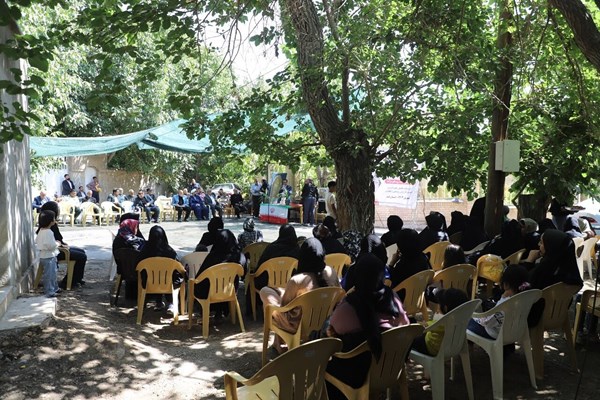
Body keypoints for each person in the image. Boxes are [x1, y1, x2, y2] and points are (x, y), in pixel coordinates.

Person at [325, 253, 409, 400]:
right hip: (390, 369)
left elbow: (332, 329)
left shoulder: (349, 306)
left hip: (358, 375)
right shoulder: (393, 298)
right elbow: (406, 324)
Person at [259, 238, 341, 354]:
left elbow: (284, 306)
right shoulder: (331, 272)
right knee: (276, 291)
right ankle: (278, 343)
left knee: (265, 292)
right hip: (324, 320)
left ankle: (279, 343)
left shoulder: (297, 280)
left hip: (297, 326)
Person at [467, 265, 530, 340]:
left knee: (466, 321)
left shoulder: (505, 303)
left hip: (496, 334)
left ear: (506, 284)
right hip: (516, 332)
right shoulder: (526, 296)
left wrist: (475, 316)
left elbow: (487, 323)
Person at [194, 229, 246, 315]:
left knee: (202, 285)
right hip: (230, 292)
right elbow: (244, 273)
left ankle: (207, 310)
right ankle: (222, 311)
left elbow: (200, 276)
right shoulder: (240, 256)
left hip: (210, 294)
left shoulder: (212, 257)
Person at [39, 202, 88, 288]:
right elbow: (54, 242)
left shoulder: (49, 224)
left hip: (58, 248)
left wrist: (64, 244)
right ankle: (70, 281)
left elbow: (59, 240)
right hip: (55, 252)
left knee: (81, 251)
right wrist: (62, 246)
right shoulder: (49, 227)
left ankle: (77, 278)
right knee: (81, 256)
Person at [138, 225, 183, 313]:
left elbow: (138, 266)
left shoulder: (145, 251)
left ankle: (158, 302)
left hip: (148, 283)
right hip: (168, 283)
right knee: (171, 275)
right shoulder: (169, 251)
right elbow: (178, 268)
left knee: (156, 275)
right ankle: (171, 303)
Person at [412, 288, 469, 356]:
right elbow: (433, 325)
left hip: (432, 347)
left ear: (445, 308)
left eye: (439, 304)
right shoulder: (461, 318)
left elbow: (428, 327)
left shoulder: (442, 319)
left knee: (411, 339)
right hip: (453, 346)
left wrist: (418, 325)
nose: (437, 306)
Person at [35, 210, 61, 297]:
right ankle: (50, 291)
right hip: (49, 256)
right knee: (50, 274)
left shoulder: (41, 231)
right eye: (54, 219)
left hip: (43, 255)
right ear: (50, 221)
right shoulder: (49, 232)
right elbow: (51, 246)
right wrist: (58, 243)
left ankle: (54, 288)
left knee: (51, 273)